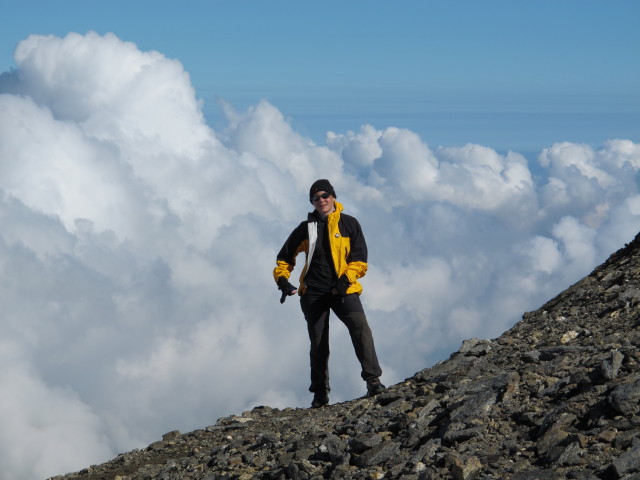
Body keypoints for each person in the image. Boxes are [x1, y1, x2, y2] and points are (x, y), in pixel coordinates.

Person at [273, 179, 385, 408]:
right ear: (312, 202)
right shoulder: (306, 228)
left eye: (325, 195)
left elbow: (360, 259)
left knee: (360, 329)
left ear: (333, 196)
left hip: (343, 290)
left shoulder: (349, 223)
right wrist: (283, 280)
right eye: (316, 198)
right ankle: (320, 394)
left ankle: (373, 380)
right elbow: (285, 257)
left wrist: (346, 279)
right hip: (313, 294)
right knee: (318, 343)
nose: (321, 200)